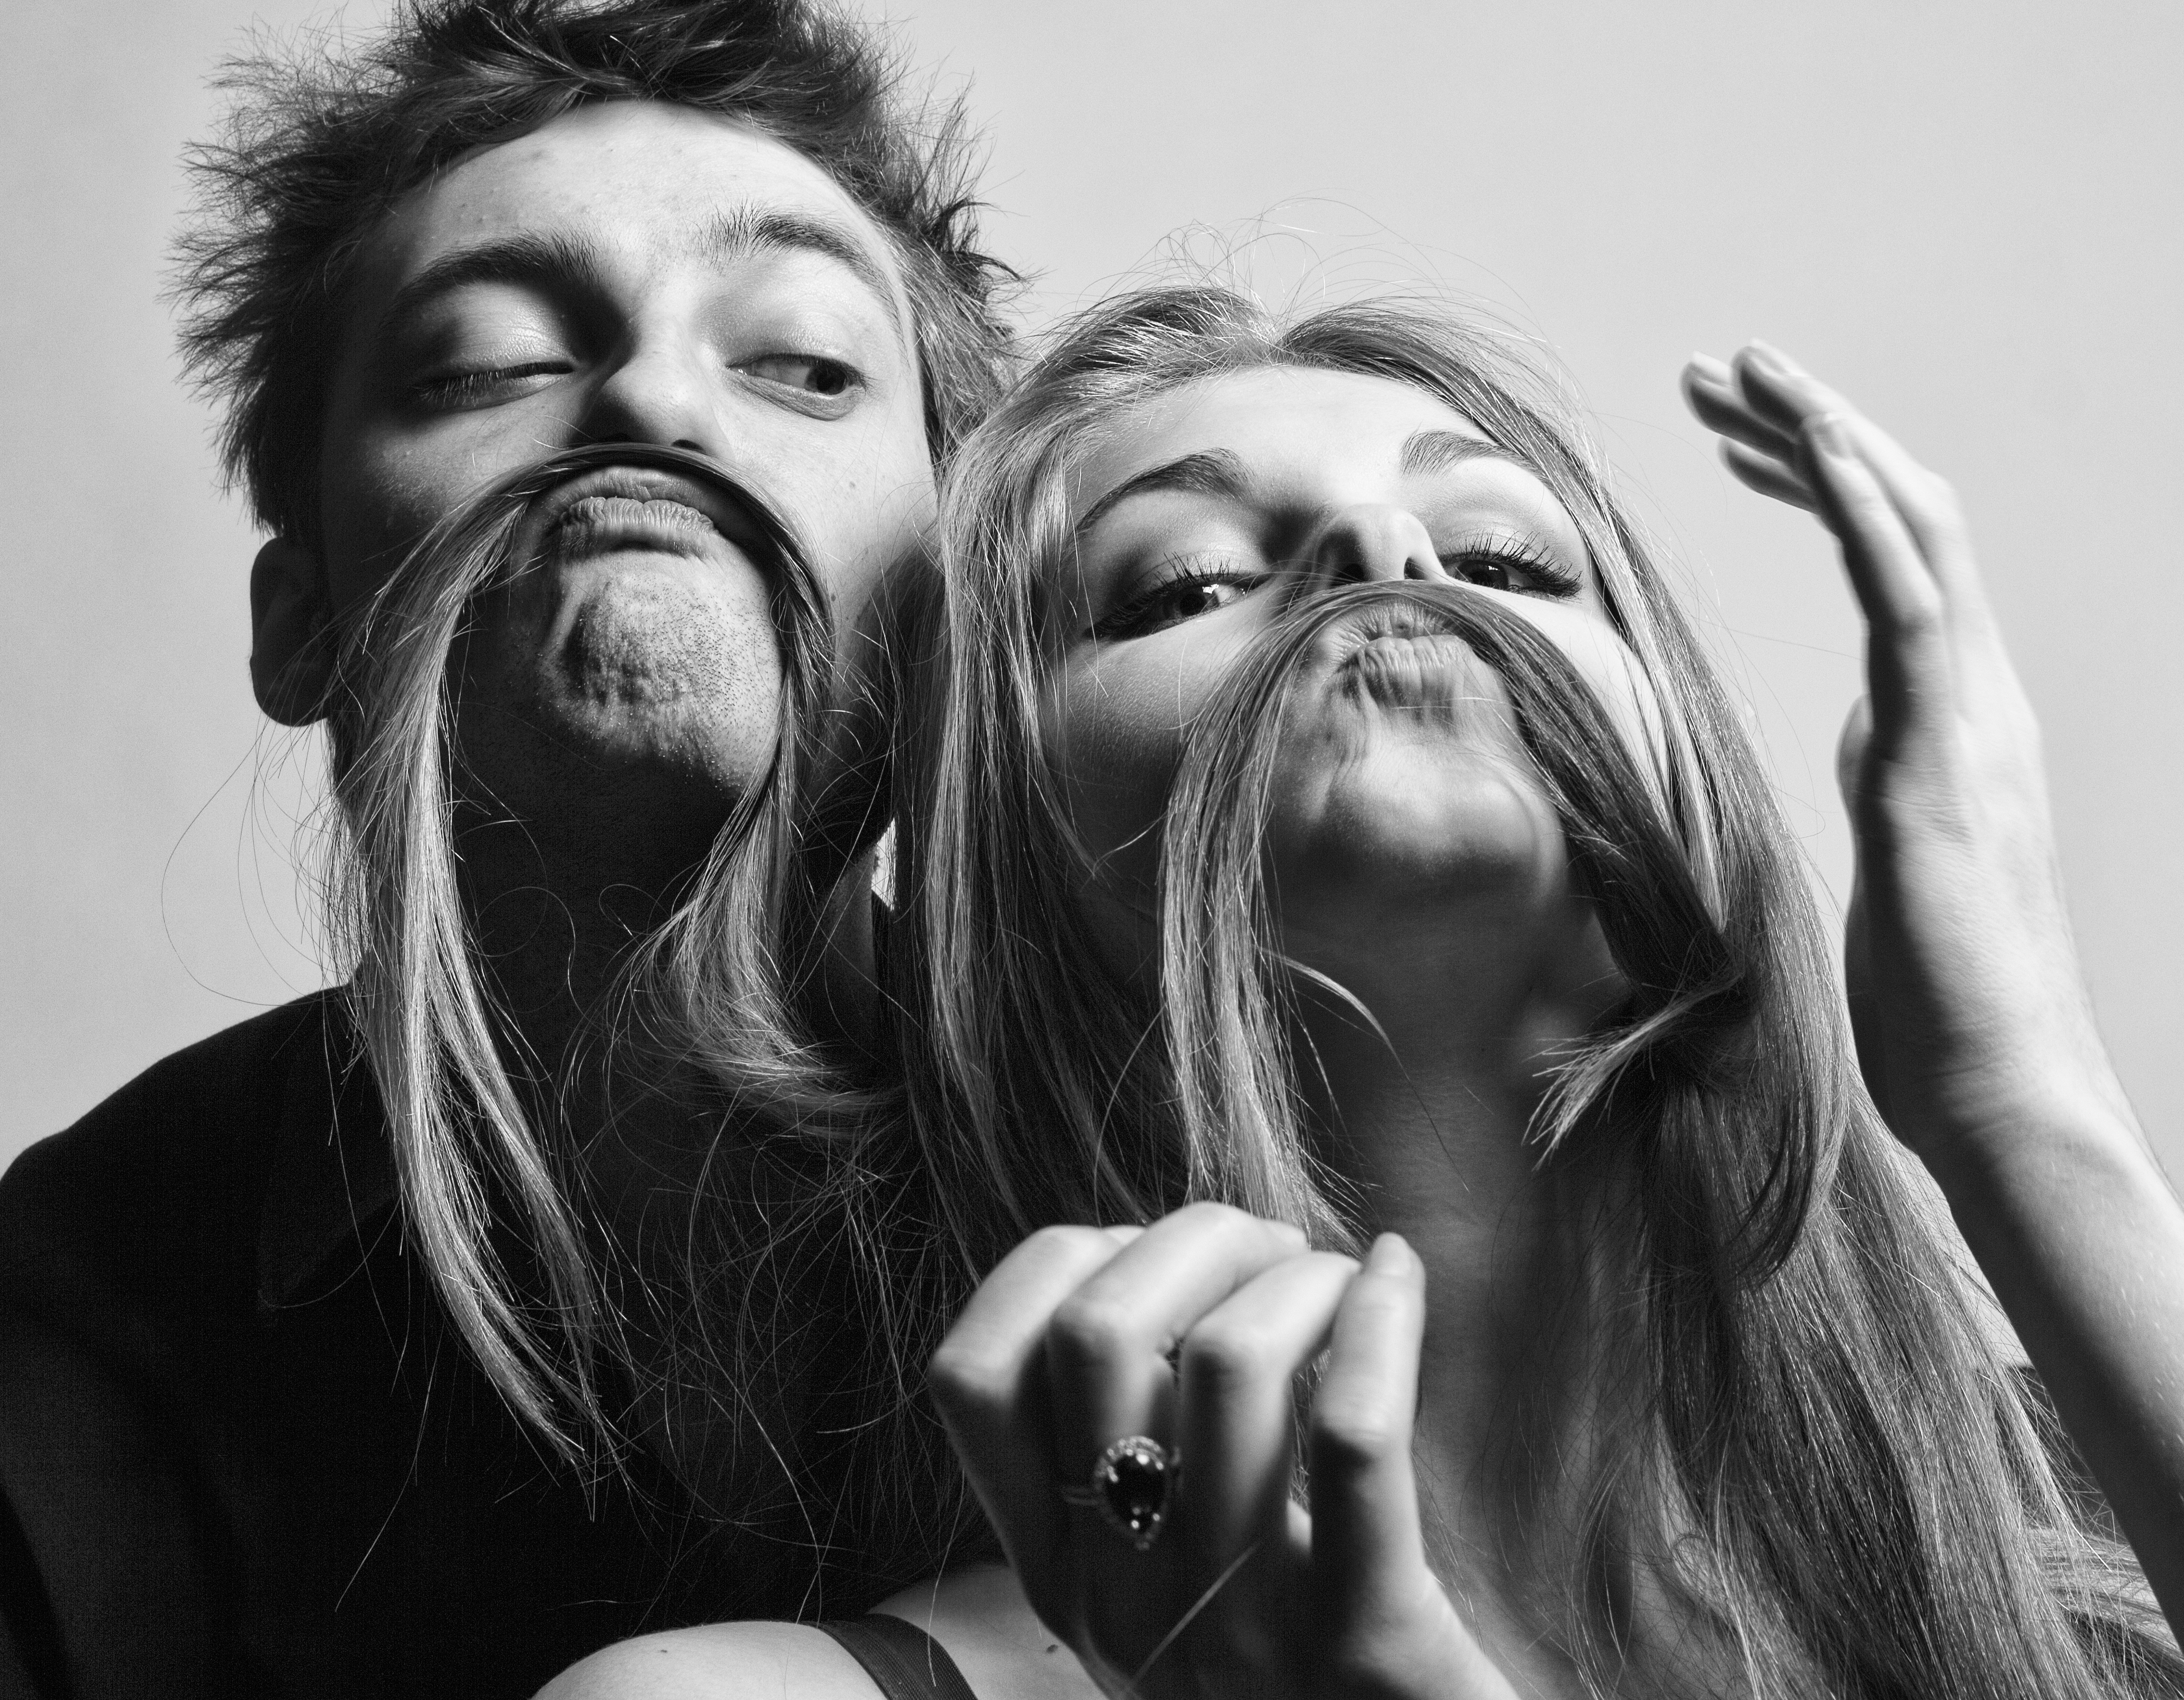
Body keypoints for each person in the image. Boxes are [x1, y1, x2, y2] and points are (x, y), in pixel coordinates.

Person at [559, 289, 2184, 1697]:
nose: (1383, 558)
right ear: (992, 887)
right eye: (1180, 585)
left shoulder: (2090, 1557)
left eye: (1503, 556)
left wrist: (2028, 1113)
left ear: (1698, 791)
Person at [0, 0, 1013, 1700]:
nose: (647, 396)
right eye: (487, 360)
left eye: (798, 359)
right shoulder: (72, 1297)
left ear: (970, 605)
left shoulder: (1201, 1137)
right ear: (305, 622)